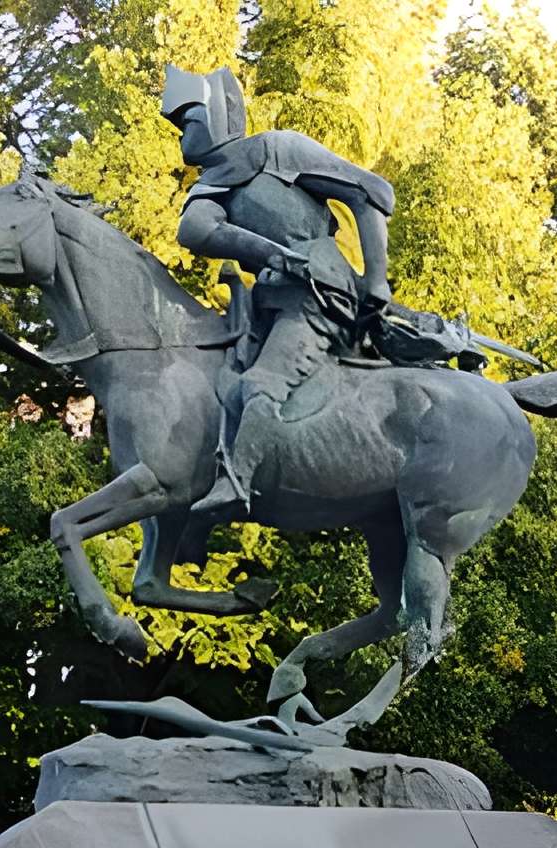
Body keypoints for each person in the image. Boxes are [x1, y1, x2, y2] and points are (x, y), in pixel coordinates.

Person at [161, 64, 400, 517]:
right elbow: (194, 231)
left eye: (185, 123)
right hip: (265, 301)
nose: (179, 137)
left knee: (260, 385)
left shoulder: (277, 150)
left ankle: (237, 482)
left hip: (317, 294)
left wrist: (376, 278)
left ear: (214, 115)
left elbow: (370, 192)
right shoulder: (209, 185)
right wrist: (273, 254)